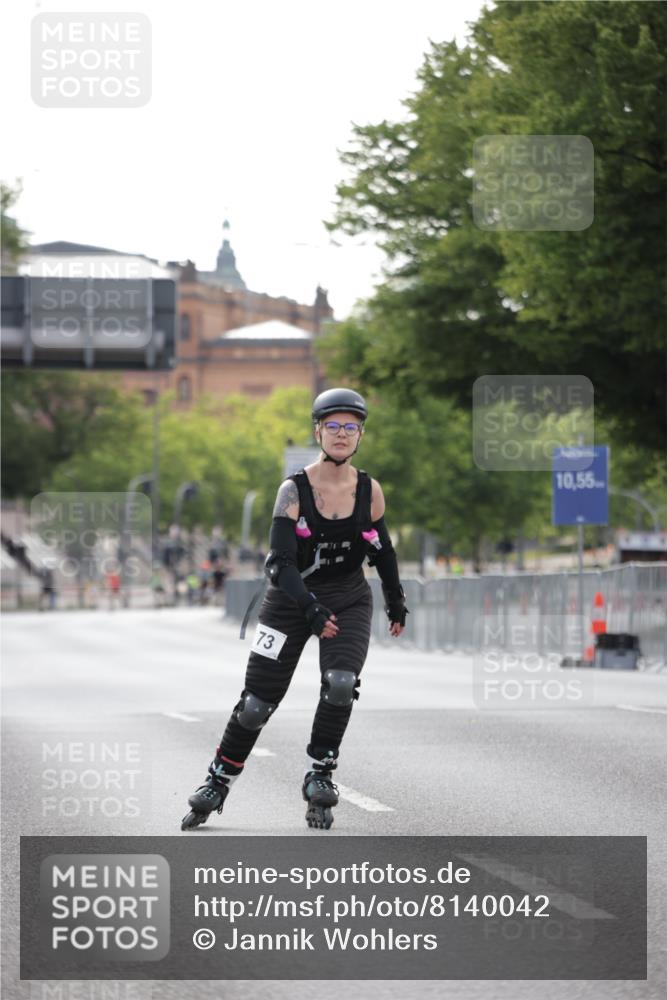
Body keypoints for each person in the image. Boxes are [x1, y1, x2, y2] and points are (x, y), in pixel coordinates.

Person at [181, 387, 409, 832]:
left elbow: (382, 551)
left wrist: (396, 601)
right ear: (318, 431)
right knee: (255, 704)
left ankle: (320, 773)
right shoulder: (293, 491)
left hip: (347, 598)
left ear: (360, 434)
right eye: (333, 426)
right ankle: (218, 780)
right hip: (290, 601)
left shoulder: (370, 490)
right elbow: (279, 564)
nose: (342, 434)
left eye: (351, 427)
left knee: (341, 684)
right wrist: (310, 610)